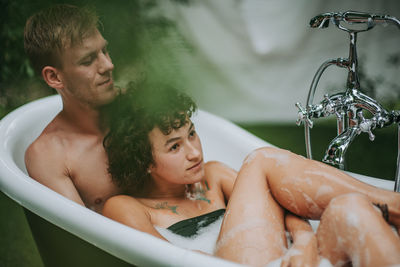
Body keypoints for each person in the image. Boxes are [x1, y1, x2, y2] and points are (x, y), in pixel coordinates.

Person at [102, 83, 400, 267]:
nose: (194, 151)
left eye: (192, 134)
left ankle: (392, 206)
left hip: (283, 259)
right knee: (259, 160)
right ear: (144, 162)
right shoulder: (127, 207)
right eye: (175, 146)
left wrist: (304, 242)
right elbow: (166, 261)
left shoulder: (213, 176)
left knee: (351, 209)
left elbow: (285, 202)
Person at [23, 4, 121, 212]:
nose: (108, 65)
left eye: (105, 51)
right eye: (88, 60)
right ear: (54, 77)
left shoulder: (136, 110)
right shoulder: (49, 156)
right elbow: (85, 235)